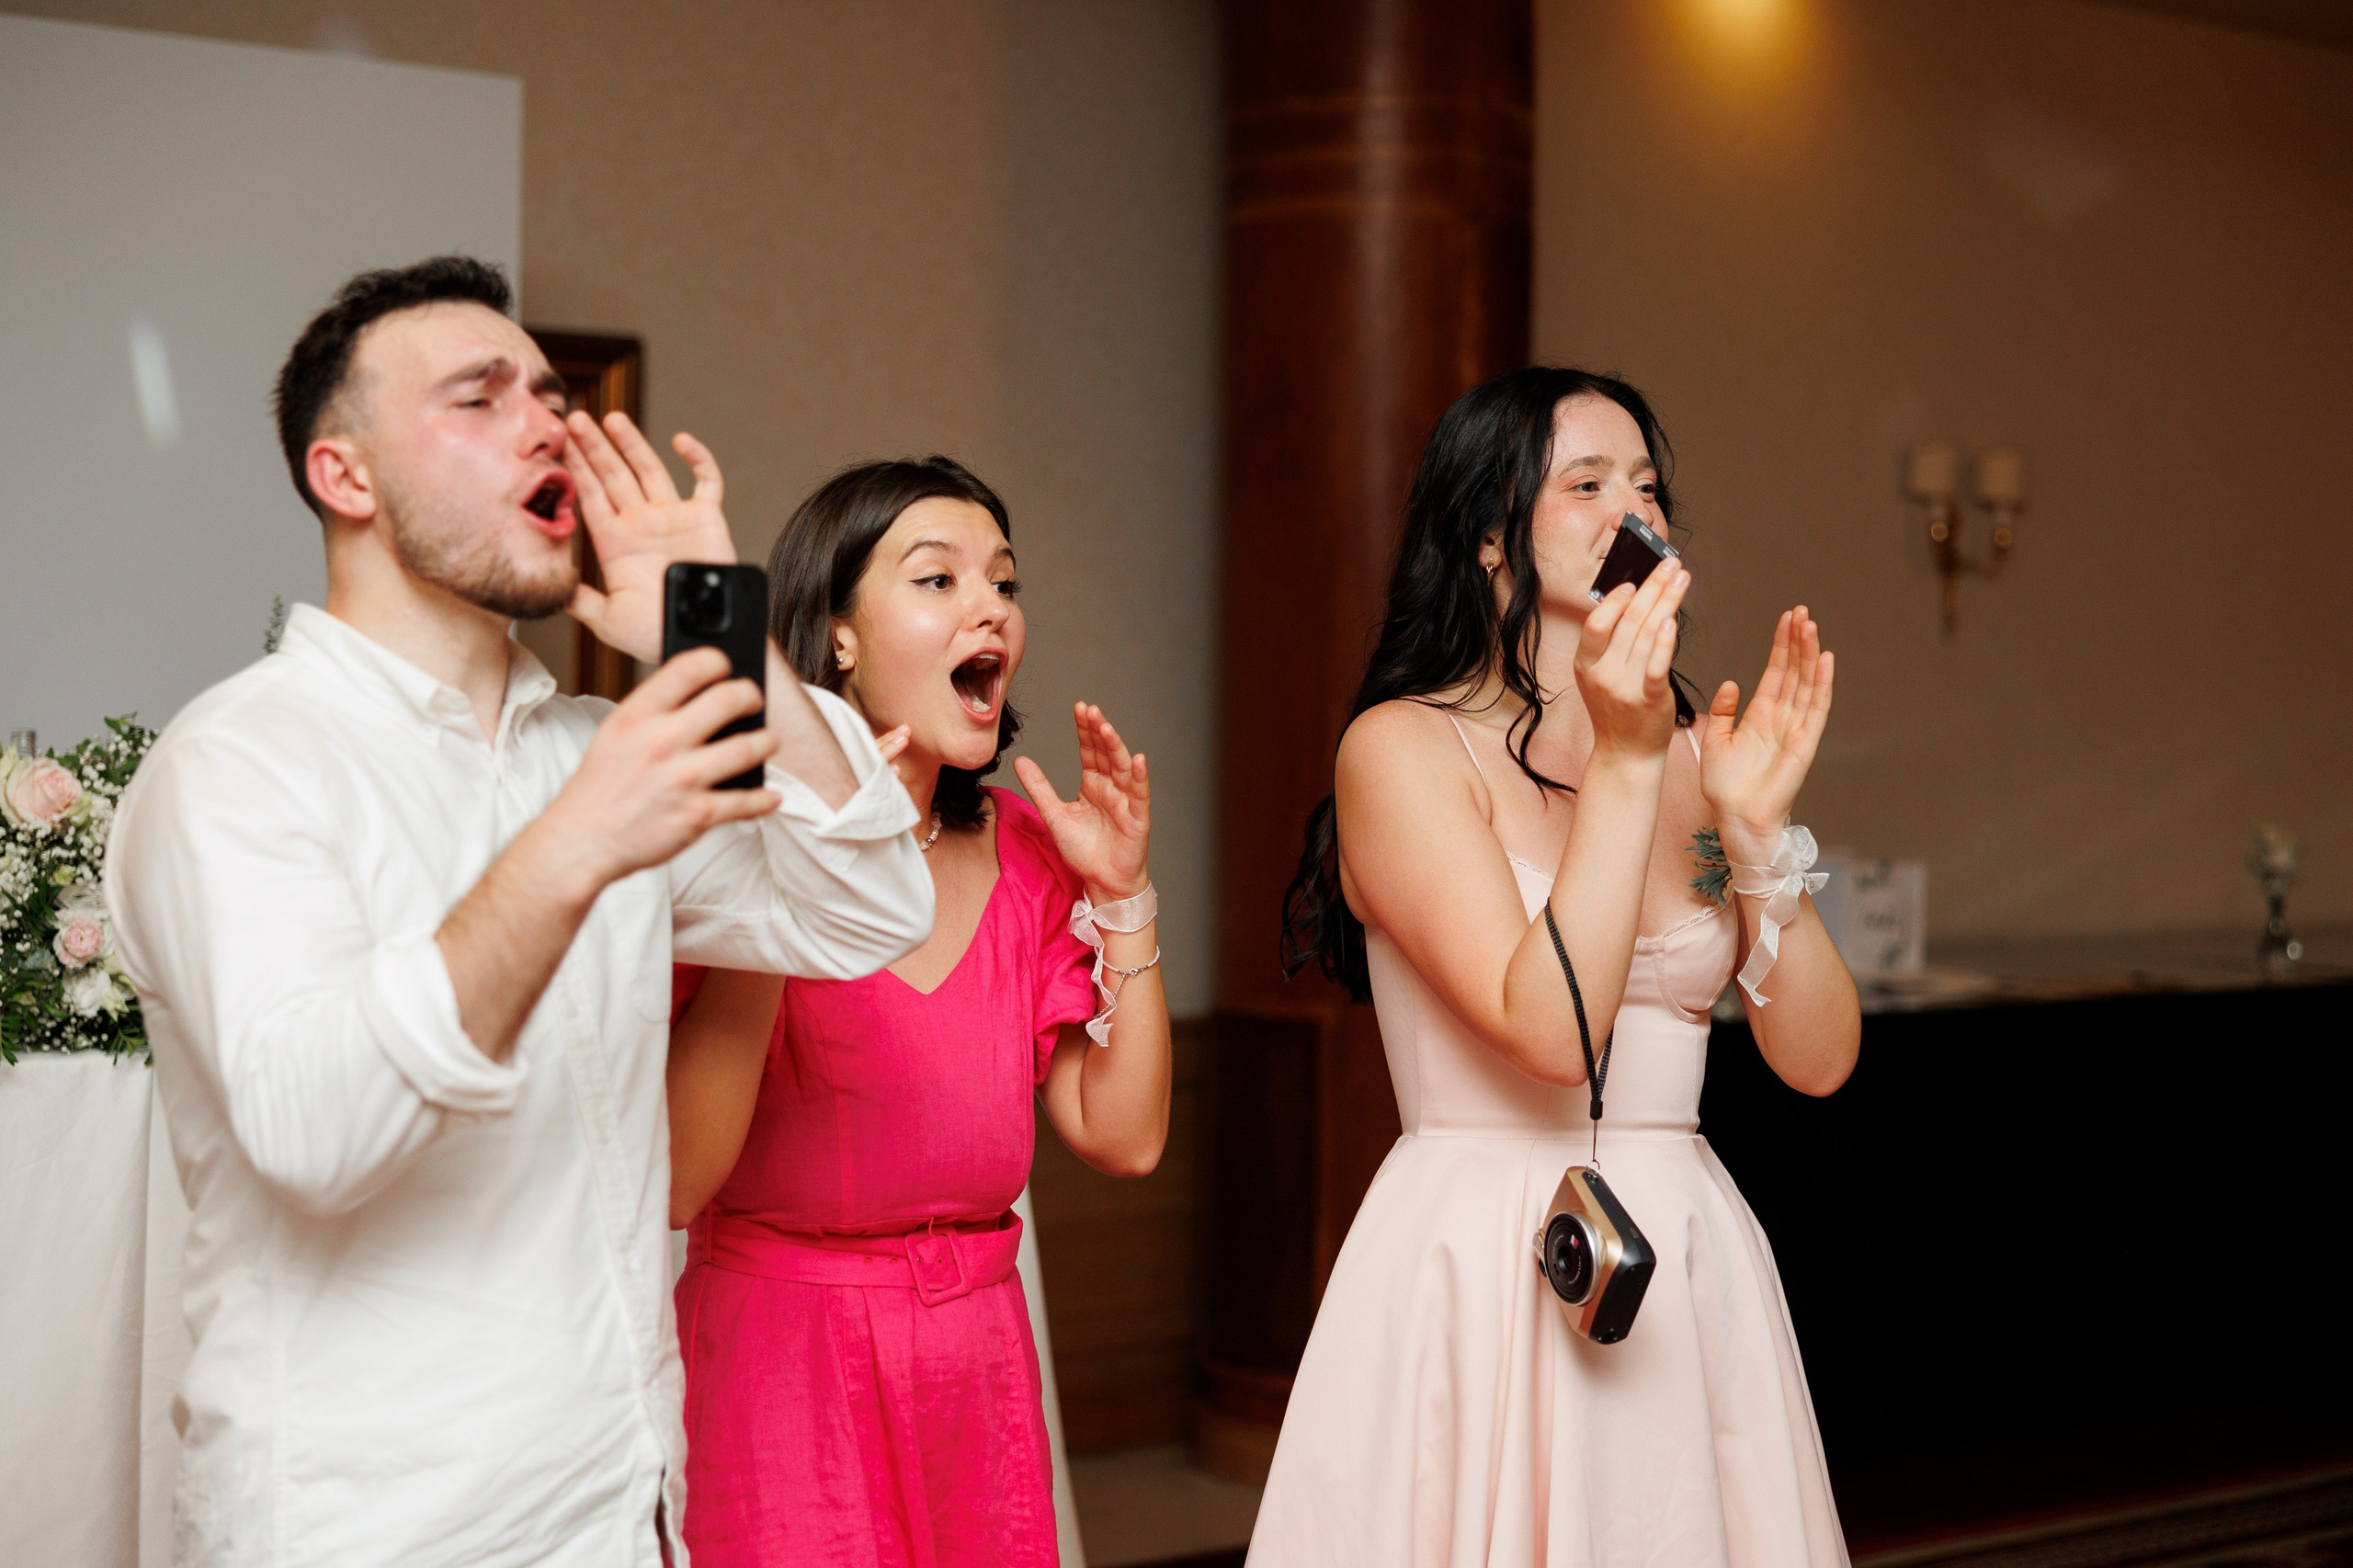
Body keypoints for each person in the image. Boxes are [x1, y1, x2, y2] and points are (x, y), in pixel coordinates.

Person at [103, 256, 935, 1568]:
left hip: (616, 1498)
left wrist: (715, 625)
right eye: (480, 398)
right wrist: (571, 847)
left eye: (549, 395)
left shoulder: (594, 746)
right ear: (347, 477)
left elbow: (864, 908)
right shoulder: (238, 765)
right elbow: (317, 1130)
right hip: (363, 1520)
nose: (547, 421)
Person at [1249, 366, 1861, 1566]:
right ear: (1489, 539)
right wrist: (1630, 765)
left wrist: (1753, 837)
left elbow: (1822, 1060)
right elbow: (1549, 1035)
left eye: (1647, 485)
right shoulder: (1407, 748)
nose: (1632, 508)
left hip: (1679, 1249)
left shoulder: (1699, 757)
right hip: (1481, 1251)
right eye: (1586, 483)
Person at [663, 456, 1173, 1566]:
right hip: (782, 1359)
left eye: (1002, 580)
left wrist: (1122, 894)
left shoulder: (1031, 851)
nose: (990, 604)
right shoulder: (731, 839)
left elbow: (1125, 1135)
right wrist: (779, 884)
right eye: (937, 580)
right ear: (837, 634)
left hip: (979, 1365)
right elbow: (677, 1179)